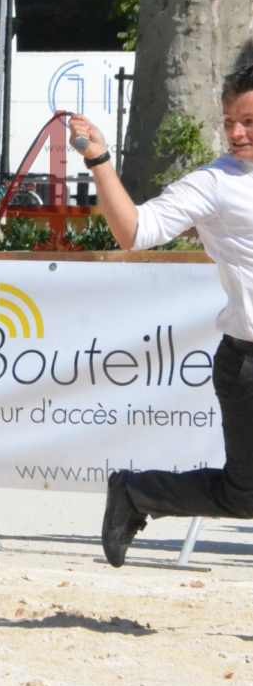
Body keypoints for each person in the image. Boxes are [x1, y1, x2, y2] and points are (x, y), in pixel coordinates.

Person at [75, 63, 253, 566]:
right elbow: (134, 231)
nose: (237, 133)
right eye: (229, 122)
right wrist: (100, 160)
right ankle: (136, 493)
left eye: (249, 122)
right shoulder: (215, 184)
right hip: (248, 363)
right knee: (246, 495)